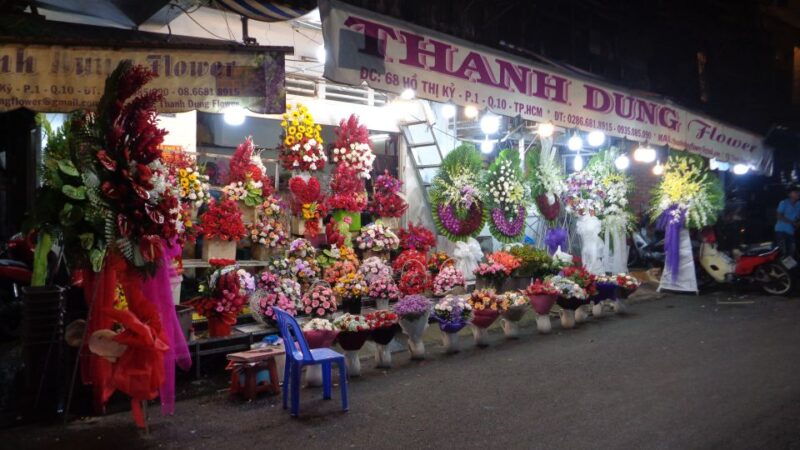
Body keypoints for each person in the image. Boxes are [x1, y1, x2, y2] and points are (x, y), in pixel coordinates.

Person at [774, 186, 800, 257]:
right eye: (796, 192)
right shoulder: (783, 203)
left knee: (791, 252)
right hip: (781, 230)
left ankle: (789, 267)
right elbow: (779, 216)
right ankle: (780, 267)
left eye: (798, 192)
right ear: (789, 194)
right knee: (783, 252)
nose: (798, 193)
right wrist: (792, 222)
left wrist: (797, 223)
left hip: (791, 232)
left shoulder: (798, 204)